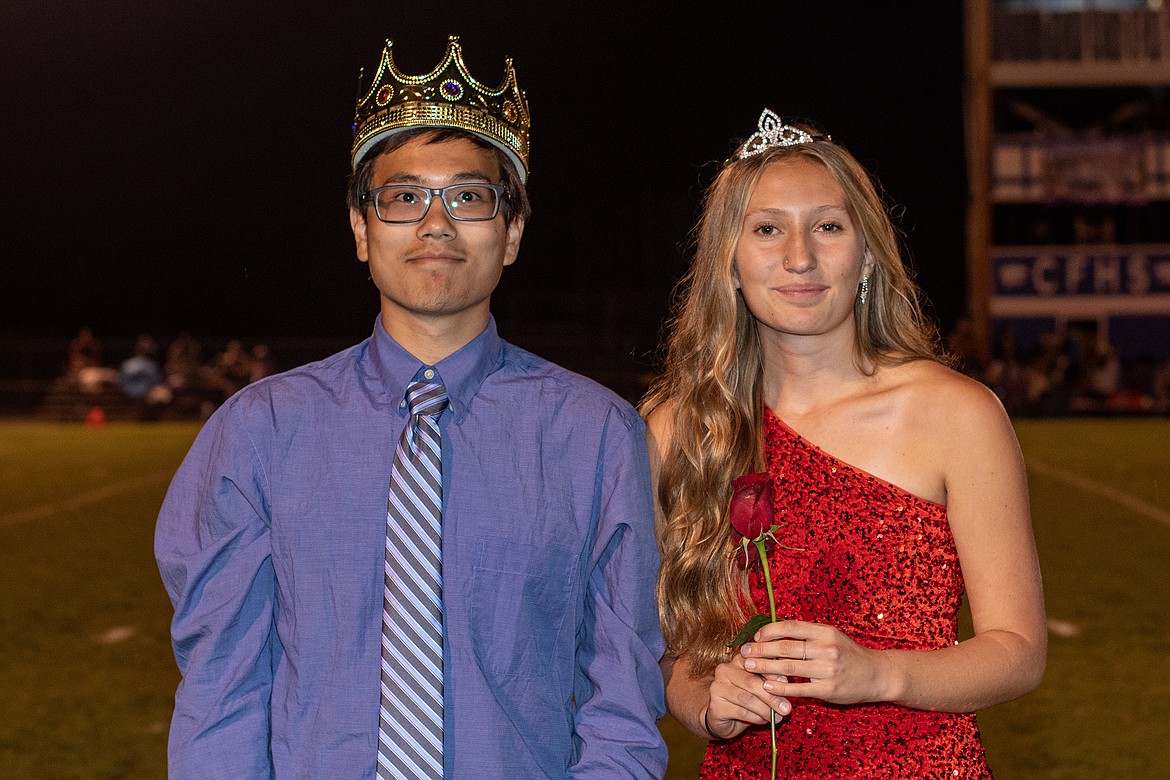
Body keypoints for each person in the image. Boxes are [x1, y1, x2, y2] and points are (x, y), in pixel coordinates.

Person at [156, 35, 666, 778]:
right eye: (403, 198)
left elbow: (619, 699)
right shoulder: (258, 432)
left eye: (468, 196)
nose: (435, 224)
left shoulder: (597, 437)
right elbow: (220, 692)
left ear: (512, 232)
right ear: (361, 229)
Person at [641, 109, 1046, 777]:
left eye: (828, 227)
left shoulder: (956, 413)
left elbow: (1019, 650)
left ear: (866, 253)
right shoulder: (679, 427)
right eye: (768, 229)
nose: (799, 256)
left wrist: (878, 673)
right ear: (730, 263)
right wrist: (697, 696)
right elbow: (656, 644)